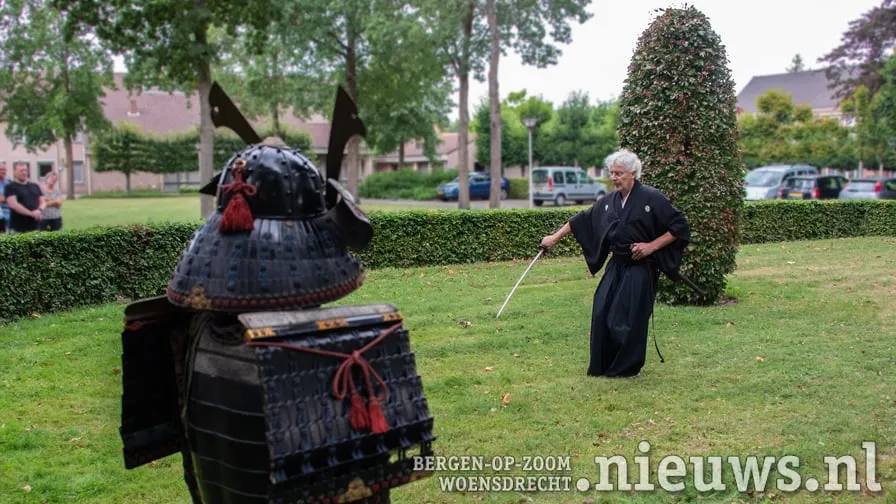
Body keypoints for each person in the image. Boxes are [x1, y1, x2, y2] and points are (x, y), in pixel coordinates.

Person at [540, 149, 691, 378]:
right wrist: (554, 238)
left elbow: (679, 226)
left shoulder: (652, 198)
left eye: (619, 173)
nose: (614, 177)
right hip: (617, 264)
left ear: (633, 174)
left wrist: (651, 246)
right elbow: (582, 219)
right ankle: (603, 365)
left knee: (626, 318)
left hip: (642, 267)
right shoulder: (609, 201)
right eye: (611, 173)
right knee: (601, 310)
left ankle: (627, 369)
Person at [3, 162, 45, 234]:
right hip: (18, 228)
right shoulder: (10, 187)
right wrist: (32, 214)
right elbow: (14, 205)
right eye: (21, 170)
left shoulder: (35, 186)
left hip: (36, 226)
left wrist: (39, 210)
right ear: (15, 172)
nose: (24, 172)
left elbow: (43, 201)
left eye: (25, 170)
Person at [0, 163, 9, 233]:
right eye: (1, 170)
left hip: (9, 212)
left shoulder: (9, 182)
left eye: (4, 170)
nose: (3, 171)